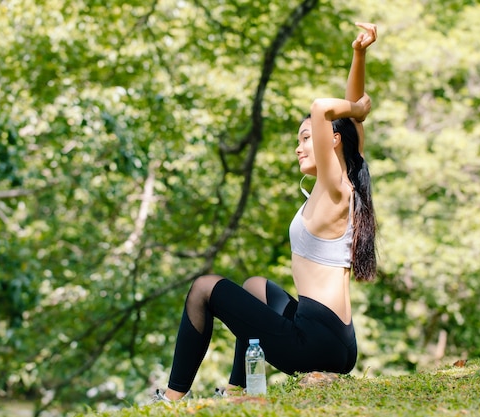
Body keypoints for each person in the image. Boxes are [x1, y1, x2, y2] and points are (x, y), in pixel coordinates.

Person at [156, 22, 378, 402]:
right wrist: (359, 55)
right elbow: (350, 122)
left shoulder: (334, 187)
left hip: (314, 343)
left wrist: (355, 107)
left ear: (332, 141)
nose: (299, 147)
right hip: (338, 341)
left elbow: (324, 109)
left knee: (203, 289)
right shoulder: (345, 184)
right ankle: (236, 391)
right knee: (256, 286)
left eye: (307, 138)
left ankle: (171, 400)